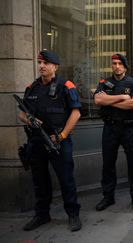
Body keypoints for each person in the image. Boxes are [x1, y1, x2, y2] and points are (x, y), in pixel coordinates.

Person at [18, 50, 82, 232]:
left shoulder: (66, 86)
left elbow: (76, 113)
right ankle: (42, 214)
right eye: (39, 62)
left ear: (55, 66)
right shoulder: (32, 88)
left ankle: (73, 214)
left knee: (66, 179)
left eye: (45, 63)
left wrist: (61, 136)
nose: (41, 66)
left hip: (58, 140)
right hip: (37, 140)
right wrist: (28, 119)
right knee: (39, 180)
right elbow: (22, 114)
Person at [94, 53, 133, 211]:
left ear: (125, 66)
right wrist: (123, 97)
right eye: (114, 63)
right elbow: (97, 100)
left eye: (119, 63)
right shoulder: (104, 82)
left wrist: (109, 101)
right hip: (110, 128)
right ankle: (108, 197)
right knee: (108, 164)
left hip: (129, 128)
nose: (116, 66)